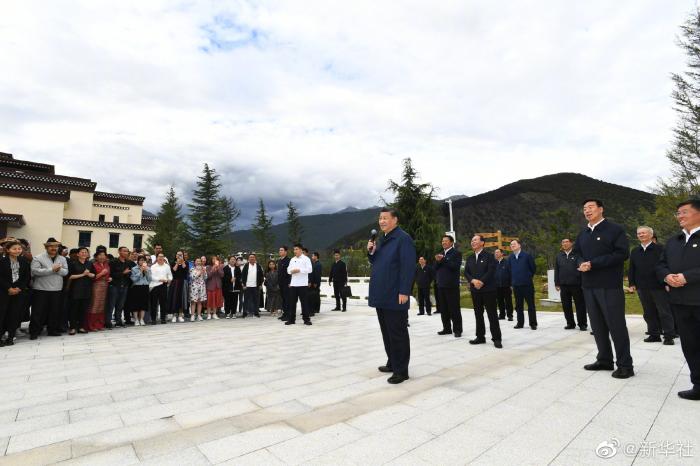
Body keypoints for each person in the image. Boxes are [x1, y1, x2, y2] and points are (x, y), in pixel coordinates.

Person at [574, 199, 633, 379]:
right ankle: (604, 359)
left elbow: (622, 254)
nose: (587, 210)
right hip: (588, 285)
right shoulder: (583, 233)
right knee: (597, 326)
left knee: (616, 326)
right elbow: (577, 253)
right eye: (585, 208)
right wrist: (581, 263)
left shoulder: (615, 229)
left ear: (601, 209)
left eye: (591, 207)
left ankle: (625, 365)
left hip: (609, 286)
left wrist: (593, 264)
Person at [657, 199, 700, 400]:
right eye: (678, 213)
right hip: (680, 302)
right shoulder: (674, 241)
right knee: (689, 346)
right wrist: (666, 276)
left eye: (684, 212)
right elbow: (660, 265)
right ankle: (698, 385)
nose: (679, 216)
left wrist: (686, 277)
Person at [368, 207, 416, 384]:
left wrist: (404, 291)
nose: (381, 221)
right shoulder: (382, 239)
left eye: (385, 218)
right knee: (386, 332)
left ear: (395, 220)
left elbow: (408, 266)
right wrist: (371, 251)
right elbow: (376, 261)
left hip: (395, 294)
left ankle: (401, 371)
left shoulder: (403, 239)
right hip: (381, 293)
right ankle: (392, 362)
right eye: (380, 218)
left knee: (397, 333)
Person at [629, 226, 675, 345]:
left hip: (659, 285)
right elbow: (632, 268)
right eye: (639, 233)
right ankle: (654, 334)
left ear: (651, 235)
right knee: (648, 312)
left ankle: (669, 336)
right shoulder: (635, 251)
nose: (641, 235)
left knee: (664, 312)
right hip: (642, 286)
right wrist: (632, 283)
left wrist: (666, 282)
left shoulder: (660, 249)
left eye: (643, 233)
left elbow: (667, 266)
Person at [464, 235, 502, 348]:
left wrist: (481, 281)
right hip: (475, 290)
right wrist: (473, 281)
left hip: (488, 290)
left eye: (475, 240)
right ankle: (480, 337)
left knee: (492, 314)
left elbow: (491, 270)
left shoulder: (489, 256)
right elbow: (466, 272)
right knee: (478, 314)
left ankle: (496, 338)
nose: (473, 242)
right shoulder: (470, 258)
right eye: (472, 240)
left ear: (482, 243)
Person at [29, 237, 69, 339]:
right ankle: (34, 331)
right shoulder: (38, 258)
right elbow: (35, 271)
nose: (53, 248)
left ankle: (52, 330)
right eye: (51, 246)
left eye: (56, 246)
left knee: (54, 311)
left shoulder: (62, 258)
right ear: (46, 247)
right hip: (40, 289)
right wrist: (52, 269)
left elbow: (65, 272)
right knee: (38, 312)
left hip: (56, 289)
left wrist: (58, 270)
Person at [0, 239, 31, 346]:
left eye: (19, 248)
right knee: (2, 314)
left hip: (18, 292)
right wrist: (8, 288)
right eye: (14, 249)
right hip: (4, 292)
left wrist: (18, 288)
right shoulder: (2, 261)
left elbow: (26, 277)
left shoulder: (24, 261)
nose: (17, 250)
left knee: (14, 314)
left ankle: (11, 337)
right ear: (8, 250)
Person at [554, 238, 588, 331]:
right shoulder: (559, 256)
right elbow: (557, 270)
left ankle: (582, 324)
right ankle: (570, 323)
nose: (564, 244)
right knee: (566, 305)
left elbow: (580, 262)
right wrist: (557, 283)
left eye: (566, 242)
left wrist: (582, 265)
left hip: (576, 284)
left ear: (571, 243)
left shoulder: (577, 254)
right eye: (563, 242)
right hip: (564, 285)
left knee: (580, 305)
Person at [434, 235, 463, 337]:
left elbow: (454, 266)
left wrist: (443, 259)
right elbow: (435, 268)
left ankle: (457, 330)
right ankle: (446, 328)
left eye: (446, 241)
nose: (443, 242)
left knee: (454, 308)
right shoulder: (440, 253)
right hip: (441, 285)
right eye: (442, 241)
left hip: (452, 286)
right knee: (444, 309)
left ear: (451, 242)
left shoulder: (456, 253)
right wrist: (438, 261)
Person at [508, 239, 538, 330]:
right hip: (516, 286)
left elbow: (533, 268)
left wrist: (527, 277)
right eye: (511, 244)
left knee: (531, 305)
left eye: (514, 244)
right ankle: (520, 323)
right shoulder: (510, 257)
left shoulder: (527, 256)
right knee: (518, 306)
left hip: (527, 285)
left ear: (519, 245)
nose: (512, 245)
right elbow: (509, 271)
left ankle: (533, 324)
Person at [67, 247, 93, 334]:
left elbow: (94, 275)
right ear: (78, 254)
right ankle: (72, 328)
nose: (84, 254)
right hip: (75, 289)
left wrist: (89, 274)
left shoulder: (89, 263)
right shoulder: (73, 263)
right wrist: (83, 274)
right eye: (82, 252)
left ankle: (81, 327)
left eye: (85, 252)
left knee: (83, 309)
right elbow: (70, 276)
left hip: (86, 289)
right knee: (74, 309)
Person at [286, 244, 313, 325]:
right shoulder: (292, 259)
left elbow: (310, 269)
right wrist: (291, 271)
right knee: (292, 303)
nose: (295, 251)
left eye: (296, 249)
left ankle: (306, 320)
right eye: (294, 249)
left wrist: (299, 270)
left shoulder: (306, 259)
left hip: (303, 284)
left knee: (304, 303)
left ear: (301, 250)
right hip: (293, 284)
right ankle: (291, 320)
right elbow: (288, 270)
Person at [108, 246, 134, 328]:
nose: (126, 253)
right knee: (111, 305)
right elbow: (111, 274)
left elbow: (131, 273)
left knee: (120, 305)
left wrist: (128, 274)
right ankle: (108, 322)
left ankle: (118, 321)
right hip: (114, 286)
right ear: (119, 252)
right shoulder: (113, 262)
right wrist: (123, 273)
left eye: (127, 251)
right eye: (124, 251)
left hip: (125, 286)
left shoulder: (129, 262)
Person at [86, 251, 111, 331]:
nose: (102, 257)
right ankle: (91, 325)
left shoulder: (106, 265)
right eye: (100, 255)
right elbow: (91, 277)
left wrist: (109, 278)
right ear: (96, 257)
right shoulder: (93, 265)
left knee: (102, 305)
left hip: (105, 286)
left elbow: (108, 275)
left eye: (104, 255)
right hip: (96, 286)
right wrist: (101, 273)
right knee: (94, 305)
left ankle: (99, 324)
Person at [149, 253, 172, 324]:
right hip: (155, 286)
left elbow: (170, 275)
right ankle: (153, 319)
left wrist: (170, 279)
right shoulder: (153, 266)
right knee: (154, 303)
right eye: (159, 256)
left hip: (164, 285)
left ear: (164, 258)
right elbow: (151, 276)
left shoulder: (167, 266)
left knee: (163, 303)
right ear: (157, 258)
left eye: (162, 256)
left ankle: (163, 319)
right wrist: (159, 279)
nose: (161, 258)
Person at [168, 251, 189, 323]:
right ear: (176, 255)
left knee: (182, 298)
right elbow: (174, 270)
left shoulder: (186, 263)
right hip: (175, 282)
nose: (179, 256)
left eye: (181, 255)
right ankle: (174, 315)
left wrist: (182, 261)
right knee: (175, 298)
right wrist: (177, 263)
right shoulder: (173, 263)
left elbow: (185, 269)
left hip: (183, 282)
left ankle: (180, 315)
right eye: (178, 254)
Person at [129, 255, 150, 326]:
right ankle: (136, 319)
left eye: (143, 260)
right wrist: (140, 271)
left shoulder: (148, 268)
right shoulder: (134, 269)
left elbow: (150, 279)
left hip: (145, 286)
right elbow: (134, 279)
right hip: (136, 287)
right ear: (138, 261)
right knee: (136, 304)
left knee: (143, 304)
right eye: (141, 260)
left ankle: (141, 319)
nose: (142, 261)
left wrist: (146, 271)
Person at [493, 249, 513, 321]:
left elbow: (511, 273)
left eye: (497, 252)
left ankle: (510, 315)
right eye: (495, 252)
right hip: (497, 286)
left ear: (502, 253)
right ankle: (502, 315)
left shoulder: (507, 262)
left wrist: (511, 284)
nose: (496, 254)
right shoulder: (494, 263)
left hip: (506, 285)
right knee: (499, 301)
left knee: (508, 301)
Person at [205, 256, 224, 320]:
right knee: (209, 300)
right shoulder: (208, 267)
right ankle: (208, 314)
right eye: (213, 259)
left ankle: (214, 314)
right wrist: (213, 268)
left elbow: (222, 275)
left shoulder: (220, 267)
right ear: (211, 260)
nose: (214, 260)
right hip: (210, 286)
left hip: (218, 286)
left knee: (216, 300)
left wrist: (218, 268)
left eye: (216, 259)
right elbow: (208, 276)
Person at [277, 247, 291, 320]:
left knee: (287, 299)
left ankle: (288, 315)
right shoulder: (279, 260)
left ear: (286, 252)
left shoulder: (289, 260)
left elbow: (290, 273)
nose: (280, 251)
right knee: (283, 299)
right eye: (279, 250)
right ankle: (284, 314)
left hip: (287, 283)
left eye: (282, 250)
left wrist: (290, 282)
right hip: (281, 283)